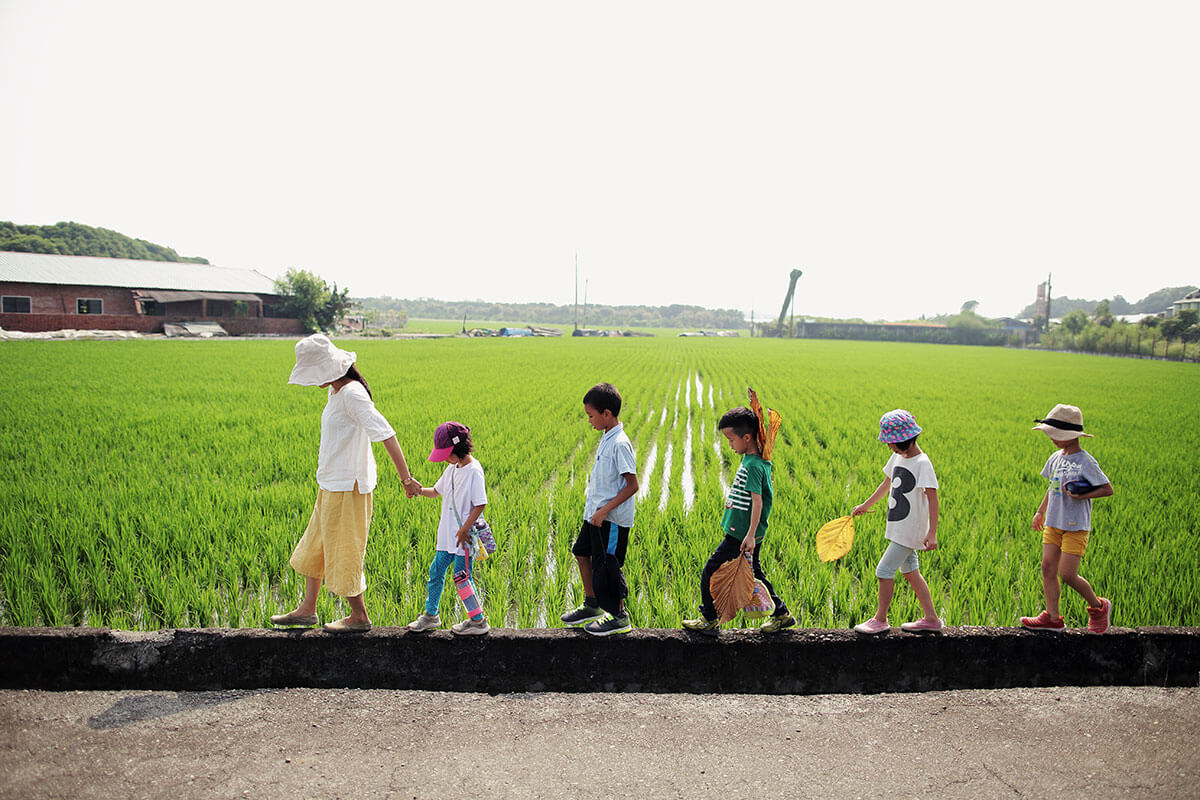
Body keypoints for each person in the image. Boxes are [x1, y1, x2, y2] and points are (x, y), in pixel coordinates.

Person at [271, 334, 418, 633]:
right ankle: (307, 610)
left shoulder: (352, 394)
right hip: (329, 483)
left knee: (345, 550)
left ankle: (359, 616)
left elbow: (386, 433)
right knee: (316, 546)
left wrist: (406, 478)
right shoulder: (336, 392)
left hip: (348, 488)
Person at [683, 395, 795, 636]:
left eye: (731, 439)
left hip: (742, 536)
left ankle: (709, 618)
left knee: (711, 570)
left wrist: (751, 536)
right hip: (743, 534)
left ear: (747, 438)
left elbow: (759, 502)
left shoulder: (755, 465)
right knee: (756, 573)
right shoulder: (750, 458)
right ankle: (782, 615)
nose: (729, 445)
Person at [1021, 404, 1114, 633]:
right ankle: (1053, 618)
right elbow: (1051, 488)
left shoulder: (1086, 462)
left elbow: (1107, 489)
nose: (1052, 439)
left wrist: (1083, 494)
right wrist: (1040, 512)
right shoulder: (1055, 458)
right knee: (1047, 568)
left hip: (1076, 526)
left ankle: (1098, 607)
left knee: (1068, 574)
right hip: (1053, 522)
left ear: (1071, 436)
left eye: (1056, 435)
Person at [851, 409, 943, 635]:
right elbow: (886, 484)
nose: (890, 447)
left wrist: (932, 533)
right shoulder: (898, 457)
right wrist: (866, 505)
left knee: (884, 570)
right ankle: (932, 618)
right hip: (898, 526)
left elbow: (933, 498)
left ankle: (880, 619)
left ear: (907, 439)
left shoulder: (923, 463)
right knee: (911, 572)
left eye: (893, 443)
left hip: (910, 530)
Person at [560, 382, 639, 636]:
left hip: (611, 519)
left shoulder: (620, 443)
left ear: (607, 413)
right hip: (594, 515)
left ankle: (619, 617)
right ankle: (593, 603)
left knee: (608, 565)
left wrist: (605, 511)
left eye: (591, 415)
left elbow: (632, 484)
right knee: (581, 552)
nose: (589, 420)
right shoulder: (607, 437)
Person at [406, 421, 491, 636]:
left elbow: (480, 503)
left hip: (463, 538)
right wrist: (418, 490)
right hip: (446, 537)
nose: (444, 458)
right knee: (436, 571)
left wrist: (464, 530)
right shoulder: (452, 469)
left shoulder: (474, 471)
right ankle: (431, 615)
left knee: (461, 577)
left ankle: (478, 621)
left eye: (447, 453)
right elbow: (436, 491)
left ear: (458, 448)